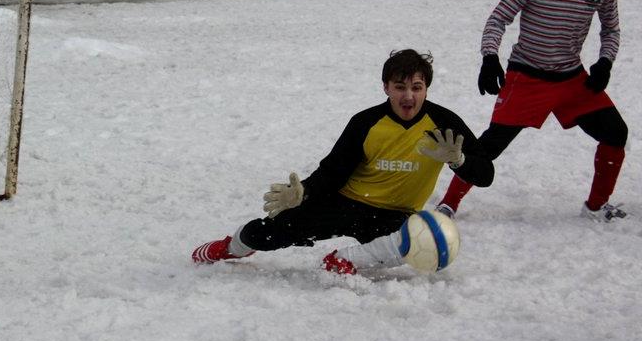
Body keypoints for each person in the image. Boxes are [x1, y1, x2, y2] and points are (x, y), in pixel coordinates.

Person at [191, 50, 494, 275]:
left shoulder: (444, 123)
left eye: (416, 87)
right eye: (400, 86)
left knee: (423, 239)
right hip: (345, 204)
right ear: (386, 87)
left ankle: (346, 259)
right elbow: (333, 172)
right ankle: (231, 247)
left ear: (426, 89)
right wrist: (303, 194)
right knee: (268, 232)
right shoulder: (366, 122)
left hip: (395, 215)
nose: (409, 95)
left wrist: (460, 161)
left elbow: (485, 174)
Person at [435, 0, 628, 222]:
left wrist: (605, 63)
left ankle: (596, 206)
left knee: (616, 132)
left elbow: (611, 29)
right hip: (527, 77)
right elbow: (498, 19)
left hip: (571, 79)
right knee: (491, 146)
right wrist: (489, 58)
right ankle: (448, 204)